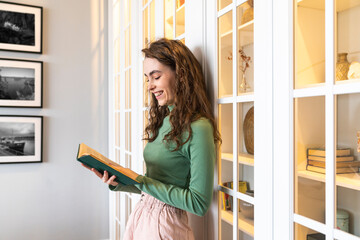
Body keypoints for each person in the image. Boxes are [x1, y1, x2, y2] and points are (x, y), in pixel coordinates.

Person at [82, 38, 221, 240]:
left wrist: (141, 181)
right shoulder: (165, 120)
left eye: (155, 77)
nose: (150, 86)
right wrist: (119, 181)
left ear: (181, 75)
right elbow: (154, 186)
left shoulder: (199, 127)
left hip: (165, 226)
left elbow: (198, 203)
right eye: (148, 79)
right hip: (143, 216)